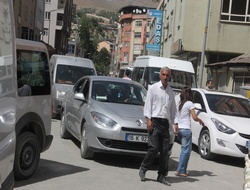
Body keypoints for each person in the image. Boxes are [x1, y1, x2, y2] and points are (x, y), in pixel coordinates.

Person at [139, 66, 177, 186]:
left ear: (169, 76)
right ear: (160, 75)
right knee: (154, 148)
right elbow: (148, 105)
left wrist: (175, 123)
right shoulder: (153, 88)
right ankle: (143, 168)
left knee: (165, 151)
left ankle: (161, 175)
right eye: (164, 75)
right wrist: (148, 120)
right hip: (154, 121)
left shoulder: (171, 92)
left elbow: (173, 110)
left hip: (165, 123)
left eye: (167, 75)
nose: (165, 77)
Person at [175, 86, 204, 177]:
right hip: (186, 130)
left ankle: (183, 170)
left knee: (185, 150)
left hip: (179, 129)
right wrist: (200, 120)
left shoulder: (180, 104)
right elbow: (194, 117)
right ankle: (180, 170)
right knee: (186, 151)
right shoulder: (190, 103)